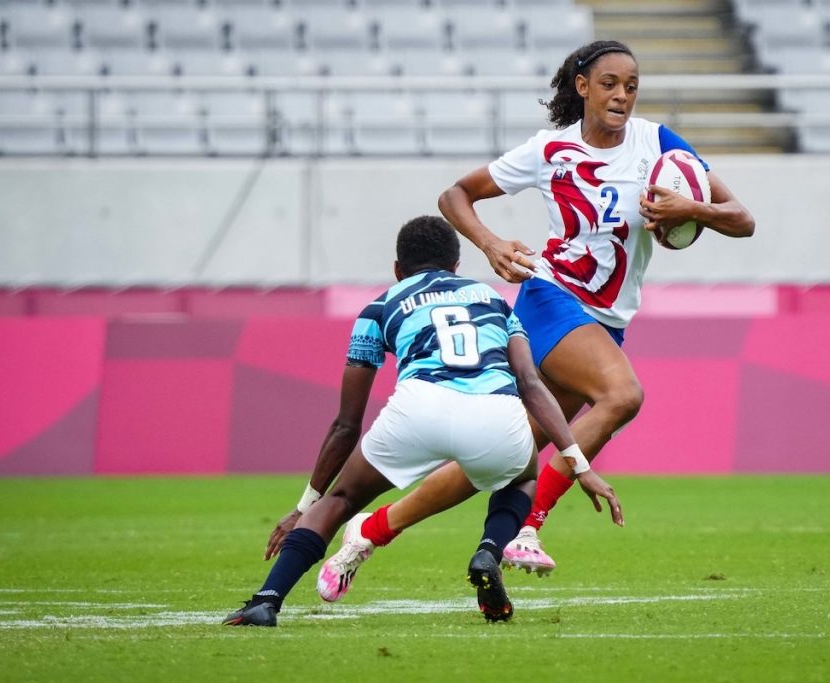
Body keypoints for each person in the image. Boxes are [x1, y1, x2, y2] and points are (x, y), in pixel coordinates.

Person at [436, 39, 755, 574]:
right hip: (551, 295)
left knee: (510, 450)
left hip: (604, 323)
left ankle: (374, 529)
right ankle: (528, 531)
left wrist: (691, 206)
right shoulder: (549, 150)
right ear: (582, 87)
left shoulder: (659, 144)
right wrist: (492, 245)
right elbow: (455, 196)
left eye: (631, 87)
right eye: (609, 84)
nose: (622, 96)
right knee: (622, 394)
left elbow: (742, 218)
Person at [223, 215, 622, 627]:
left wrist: (304, 506)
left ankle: (267, 599)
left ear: (398, 270)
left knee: (341, 500)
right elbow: (530, 384)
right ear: (456, 265)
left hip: (418, 409)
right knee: (521, 478)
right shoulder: (492, 299)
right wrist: (579, 463)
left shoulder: (380, 307)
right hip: (494, 411)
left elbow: (346, 424)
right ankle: (488, 548)